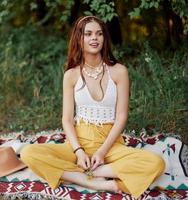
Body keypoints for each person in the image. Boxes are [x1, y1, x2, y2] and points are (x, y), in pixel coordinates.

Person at [20, 15, 165, 199]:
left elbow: (121, 116)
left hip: (111, 144)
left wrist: (102, 152)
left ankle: (95, 173)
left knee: (156, 163)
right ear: (79, 39)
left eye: (99, 34)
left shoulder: (119, 71)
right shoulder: (71, 75)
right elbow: (66, 119)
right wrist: (78, 151)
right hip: (79, 141)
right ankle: (87, 181)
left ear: (104, 39)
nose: (94, 38)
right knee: (29, 153)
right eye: (88, 34)